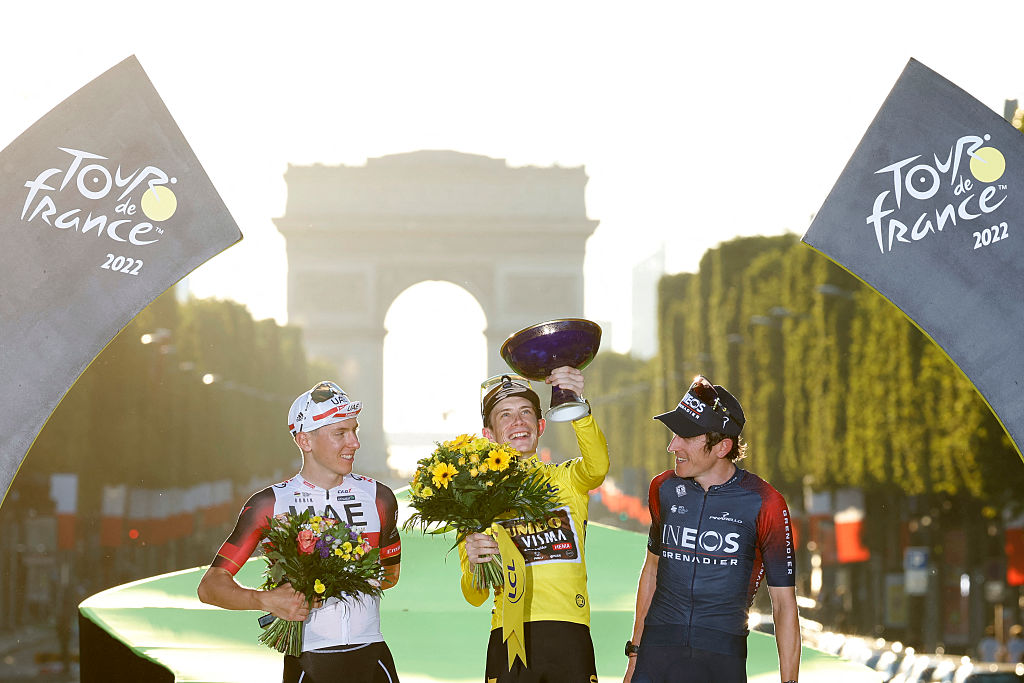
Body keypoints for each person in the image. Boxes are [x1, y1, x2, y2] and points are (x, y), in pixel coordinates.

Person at [197, 381, 402, 683]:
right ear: (305, 440)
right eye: (340, 433)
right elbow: (210, 587)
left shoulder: (380, 497)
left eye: (354, 430)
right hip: (309, 661)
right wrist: (265, 599)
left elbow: (390, 577)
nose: (355, 442)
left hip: (371, 654)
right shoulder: (269, 504)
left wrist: (338, 579)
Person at [624, 376, 799, 683]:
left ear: (722, 447)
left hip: (721, 659)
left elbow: (784, 604)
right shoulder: (663, 488)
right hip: (656, 654)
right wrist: (634, 656)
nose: (672, 446)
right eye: (674, 434)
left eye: (686, 436)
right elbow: (651, 570)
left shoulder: (765, 503)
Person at [460, 367, 609, 682]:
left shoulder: (567, 479)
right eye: (505, 415)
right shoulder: (475, 499)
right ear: (488, 434)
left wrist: (577, 405)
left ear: (540, 426)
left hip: (569, 632)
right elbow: (474, 596)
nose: (518, 421)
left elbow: (597, 466)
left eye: (526, 412)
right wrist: (474, 564)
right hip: (508, 635)